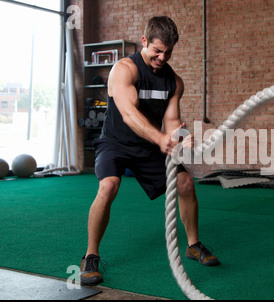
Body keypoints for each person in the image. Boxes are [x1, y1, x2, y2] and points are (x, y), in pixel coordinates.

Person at [80, 16, 219, 286]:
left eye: (168, 52)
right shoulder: (124, 70)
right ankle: (91, 255)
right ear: (144, 41)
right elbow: (129, 114)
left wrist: (179, 140)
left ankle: (193, 245)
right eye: (157, 50)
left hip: (150, 146)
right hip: (116, 143)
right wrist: (160, 138)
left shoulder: (174, 82)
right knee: (108, 186)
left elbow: (170, 122)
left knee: (186, 183)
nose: (162, 57)